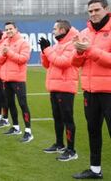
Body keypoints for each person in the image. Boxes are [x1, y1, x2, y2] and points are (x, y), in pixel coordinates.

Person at [71, 0, 111, 179]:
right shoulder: (84, 32)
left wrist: (90, 50)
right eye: (90, 11)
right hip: (90, 91)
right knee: (93, 131)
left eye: (97, 10)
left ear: (106, 9)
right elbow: (75, 62)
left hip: (109, 92)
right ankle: (95, 170)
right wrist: (80, 51)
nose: (93, 14)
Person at [39, 20, 79, 161]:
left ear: (62, 30)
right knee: (57, 118)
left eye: (55, 28)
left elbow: (63, 63)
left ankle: (71, 150)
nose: (53, 31)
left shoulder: (73, 43)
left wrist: (48, 50)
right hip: (55, 86)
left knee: (68, 119)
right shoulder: (58, 45)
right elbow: (46, 64)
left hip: (66, 87)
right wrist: (44, 51)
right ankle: (59, 144)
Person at [0, 21, 33, 143]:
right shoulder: (5, 43)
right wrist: (5, 54)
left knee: (23, 104)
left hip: (18, 80)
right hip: (6, 79)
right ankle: (16, 127)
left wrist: (8, 53)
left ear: (16, 29)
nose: (9, 31)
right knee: (10, 104)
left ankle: (28, 131)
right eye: (6, 29)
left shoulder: (23, 42)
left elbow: (23, 59)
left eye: (11, 29)